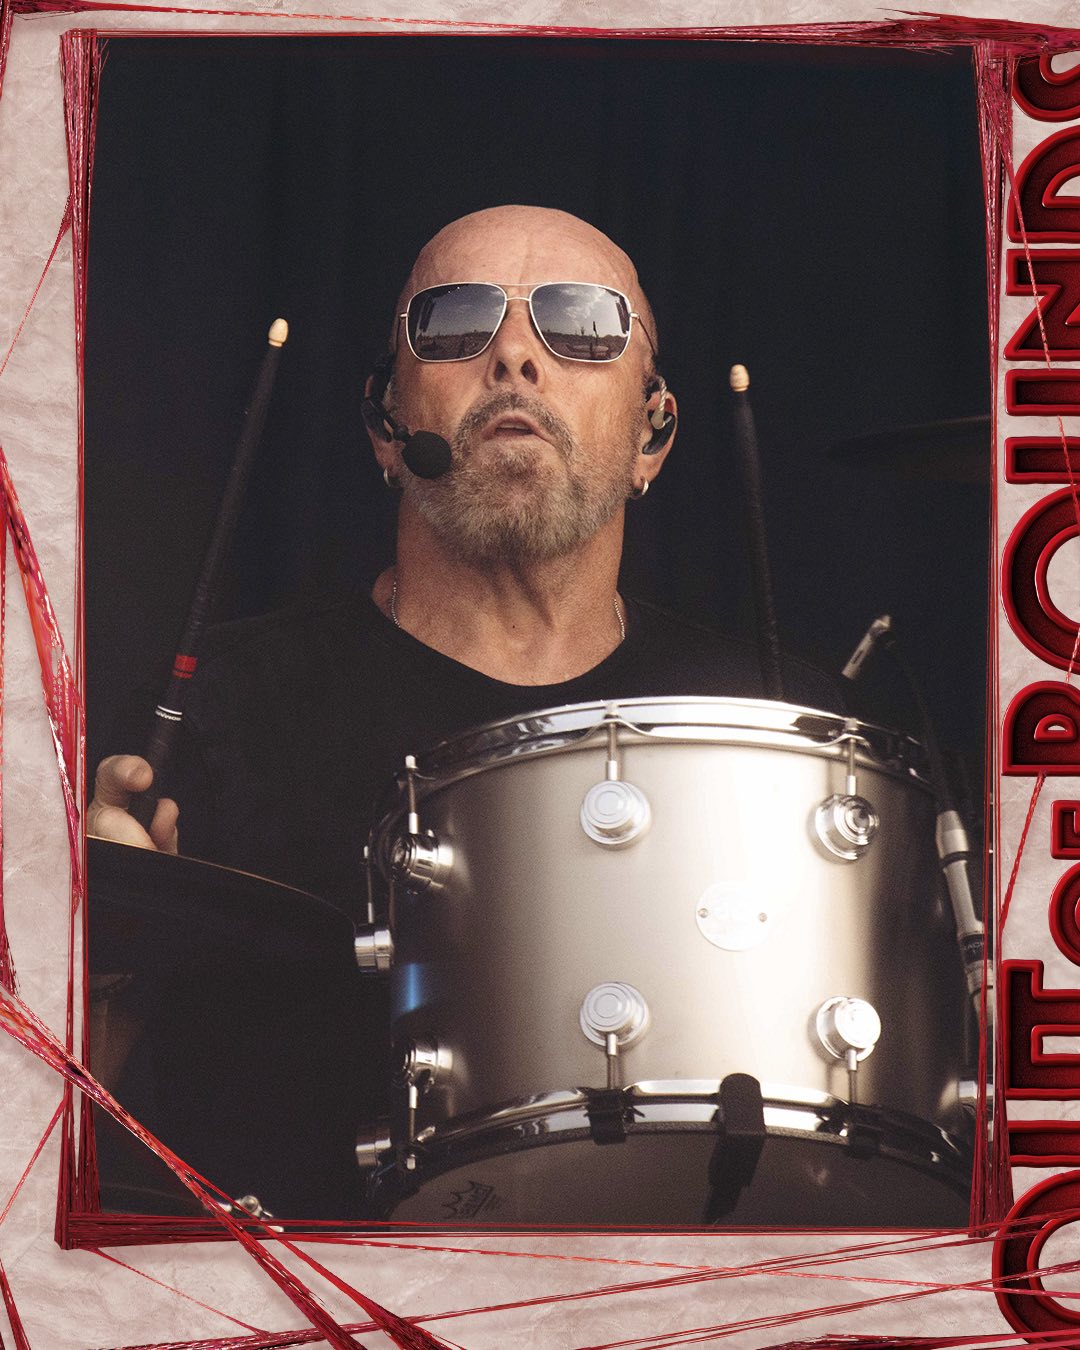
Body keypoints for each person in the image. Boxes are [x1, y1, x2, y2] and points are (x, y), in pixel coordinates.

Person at [88, 204, 836, 900]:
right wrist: (118, 935)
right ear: (385, 428)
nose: (514, 353)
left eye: (583, 323)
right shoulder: (210, 717)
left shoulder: (784, 728)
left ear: (654, 435)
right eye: (453, 322)